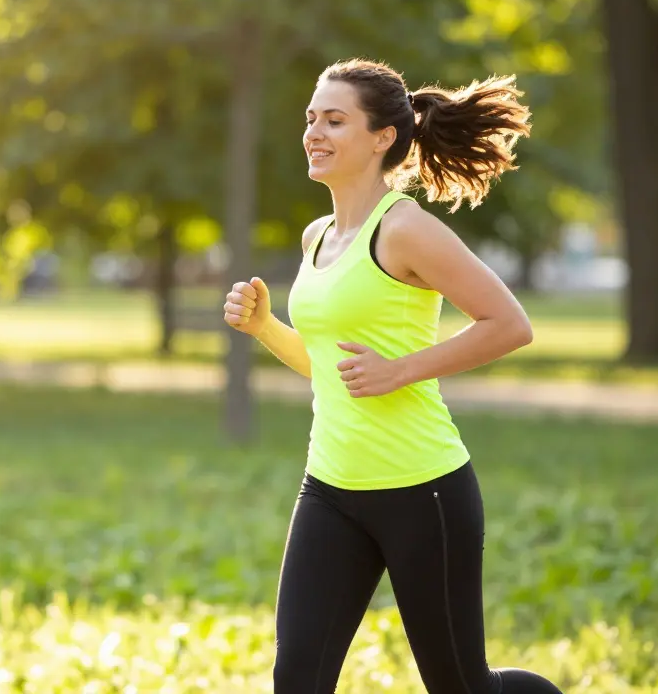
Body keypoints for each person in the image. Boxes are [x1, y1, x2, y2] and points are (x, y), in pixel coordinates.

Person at [222, 59, 564, 693]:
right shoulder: (318, 236)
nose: (314, 132)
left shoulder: (405, 229)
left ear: (382, 136)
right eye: (311, 118)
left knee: (463, 687)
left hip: (422, 492)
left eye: (334, 120)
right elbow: (334, 372)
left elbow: (509, 324)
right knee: (297, 679)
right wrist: (265, 326)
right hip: (330, 489)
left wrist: (402, 369)